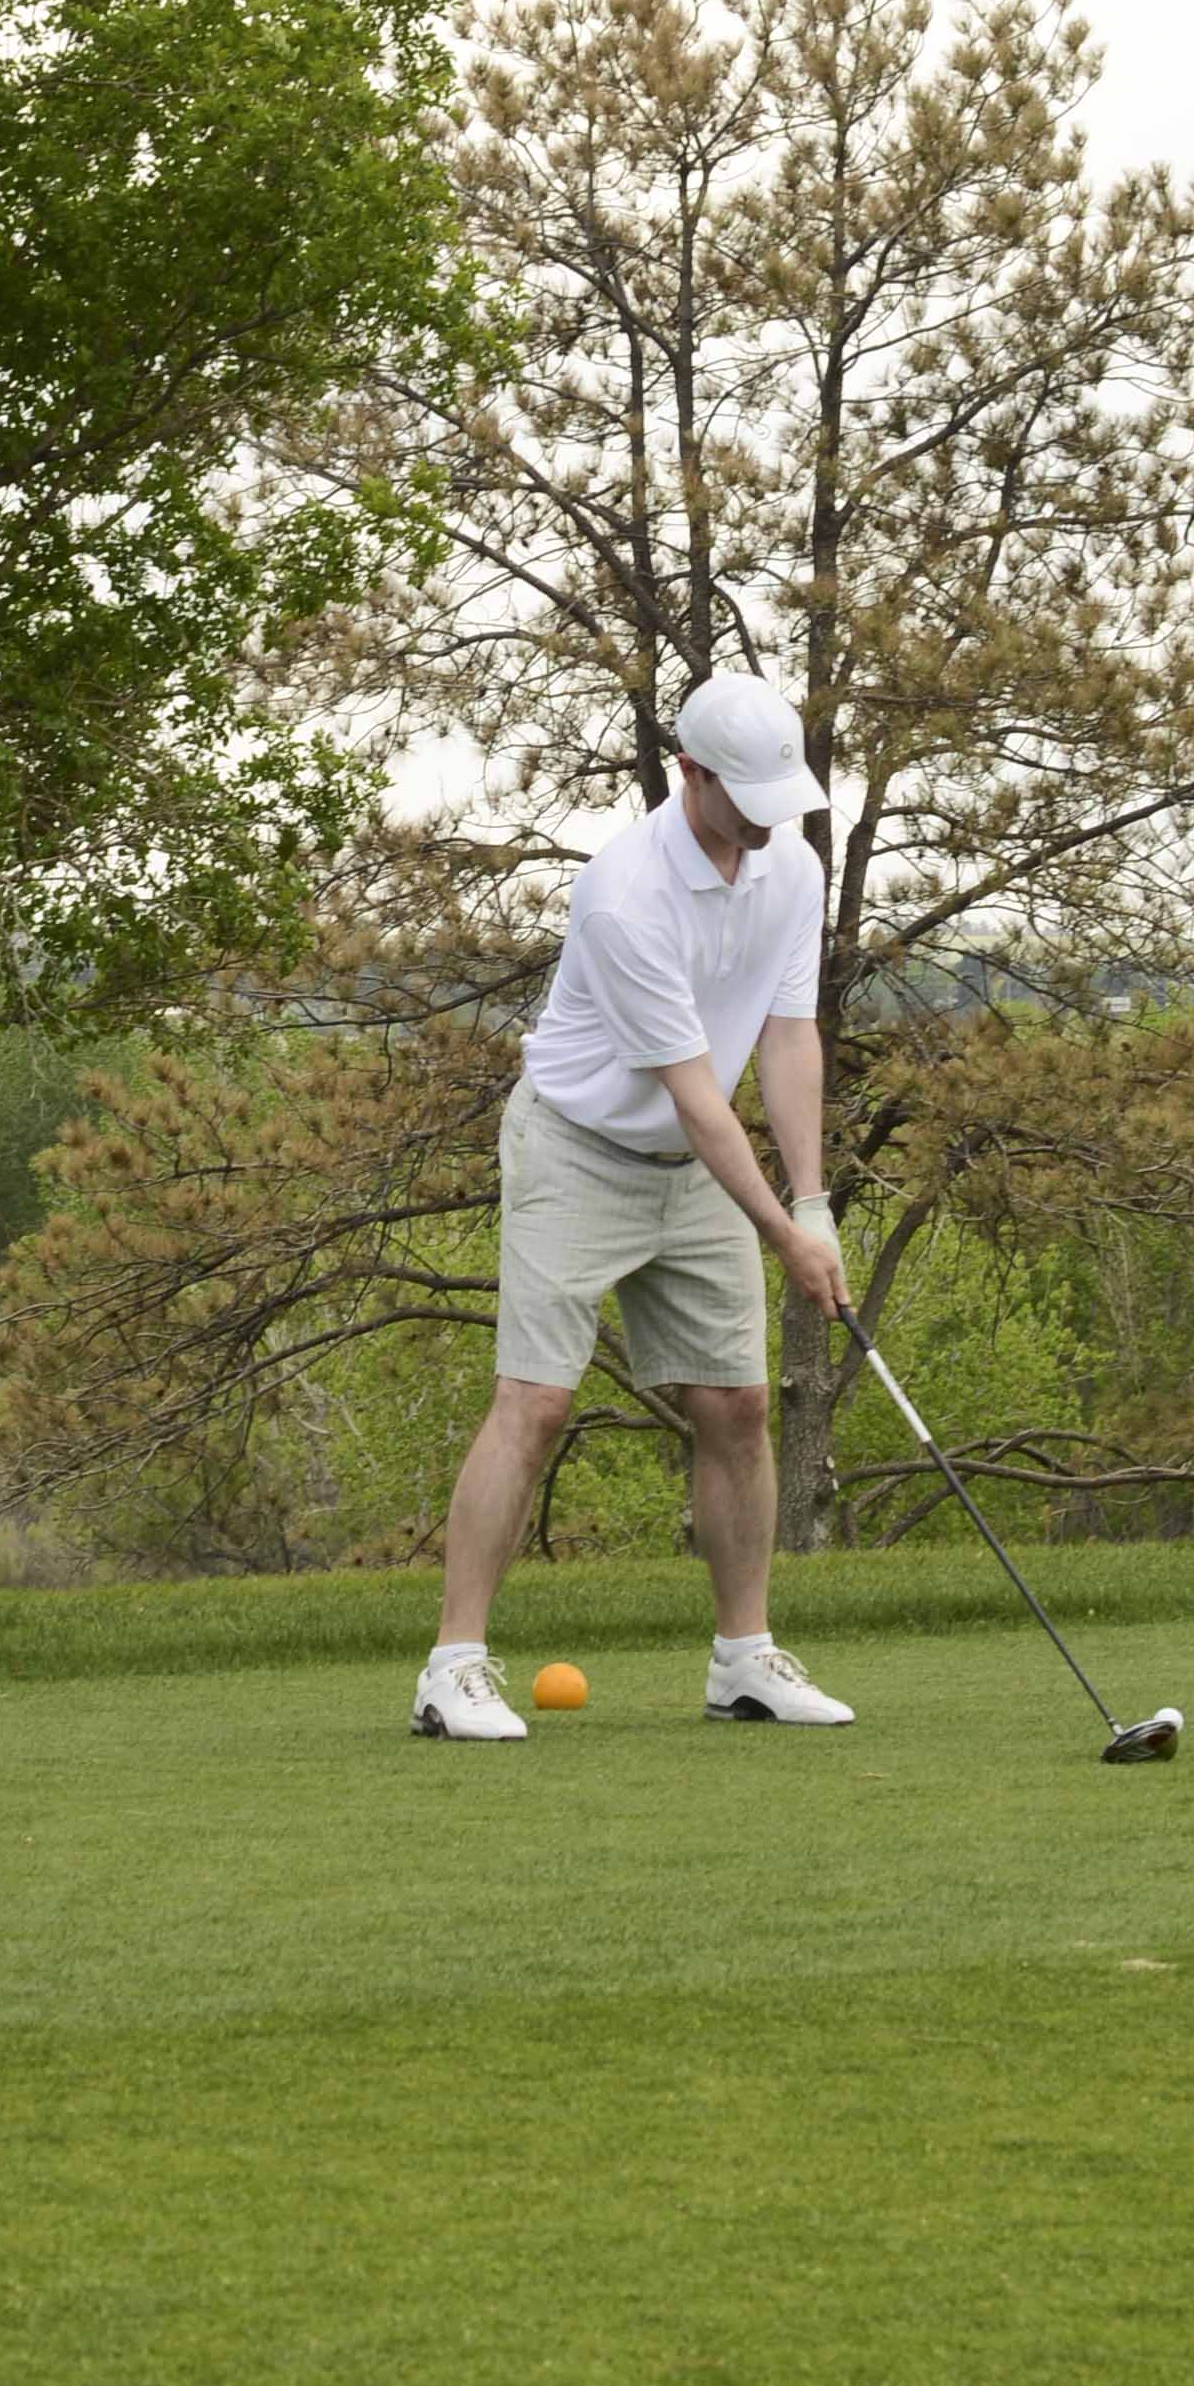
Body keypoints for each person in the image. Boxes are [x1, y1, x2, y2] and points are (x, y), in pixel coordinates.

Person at [411, 674, 858, 1744]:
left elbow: (790, 1038)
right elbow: (697, 1094)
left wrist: (813, 1200)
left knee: (737, 1406)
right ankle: (450, 1667)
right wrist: (780, 1234)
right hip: (578, 1146)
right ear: (687, 772)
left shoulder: (790, 866)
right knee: (534, 1401)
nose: (762, 816)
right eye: (741, 791)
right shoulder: (624, 891)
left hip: (694, 1168)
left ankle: (743, 1659)